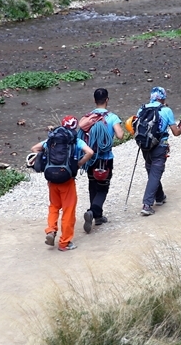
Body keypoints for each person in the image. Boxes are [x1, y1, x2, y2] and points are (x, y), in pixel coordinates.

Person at [30, 116, 93, 251]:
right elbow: (90, 152)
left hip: (52, 180)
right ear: (74, 127)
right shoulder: (76, 141)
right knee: (68, 210)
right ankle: (64, 243)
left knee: (54, 206)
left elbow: (34, 148)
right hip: (67, 180)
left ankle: (51, 230)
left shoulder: (51, 140)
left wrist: (45, 160)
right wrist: (79, 164)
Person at [135, 86, 181, 217]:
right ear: (163, 98)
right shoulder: (166, 110)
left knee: (152, 170)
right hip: (160, 146)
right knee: (155, 172)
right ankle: (147, 205)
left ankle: (160, 196)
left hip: (145, 145)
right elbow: (175, 132)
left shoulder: (142, 109)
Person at [82, 88, 124, 234]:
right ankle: (93, 212)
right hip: (105, 159)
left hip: (90, 158)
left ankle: (98, 217)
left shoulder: (88, 117)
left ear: (94, 101)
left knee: (92, 185)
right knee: (103, 188)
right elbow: (120, 135)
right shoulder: (112, 117)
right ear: (107, 99)